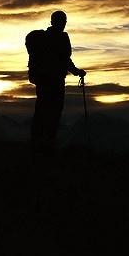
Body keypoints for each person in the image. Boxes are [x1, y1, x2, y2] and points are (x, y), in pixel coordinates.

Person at [27, 10, 86, 152]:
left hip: (43, 81)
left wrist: (75, 71)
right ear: (61, 22)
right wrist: (76, 71)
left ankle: (37, 142)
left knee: (41, 110)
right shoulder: (60, 38)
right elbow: (65, 59)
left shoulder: (43, 39)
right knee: (54, 111)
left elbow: (63, 59)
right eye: (63, 21)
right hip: (56, 81)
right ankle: (48, 143)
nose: (64, 24)